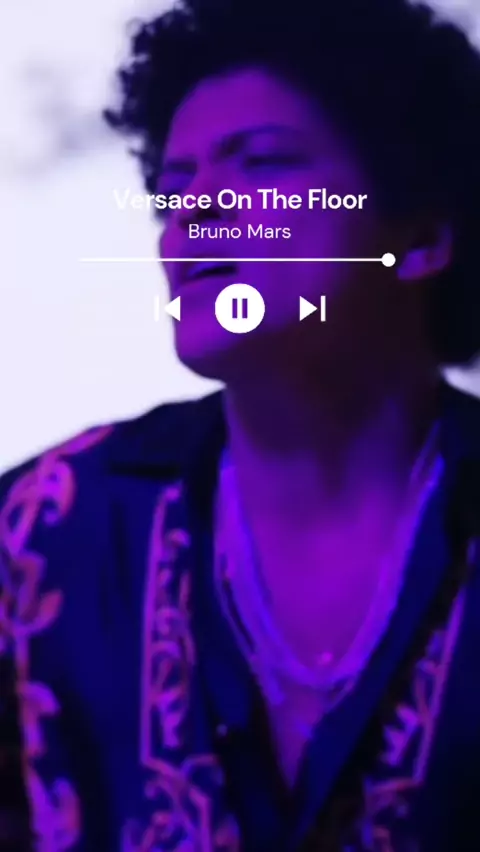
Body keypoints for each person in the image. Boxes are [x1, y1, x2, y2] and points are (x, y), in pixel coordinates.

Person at [2, 0, 480, 849]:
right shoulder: (42, 529)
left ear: (422, 238)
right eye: (174, 186)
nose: (195, 212)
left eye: (261, 164)